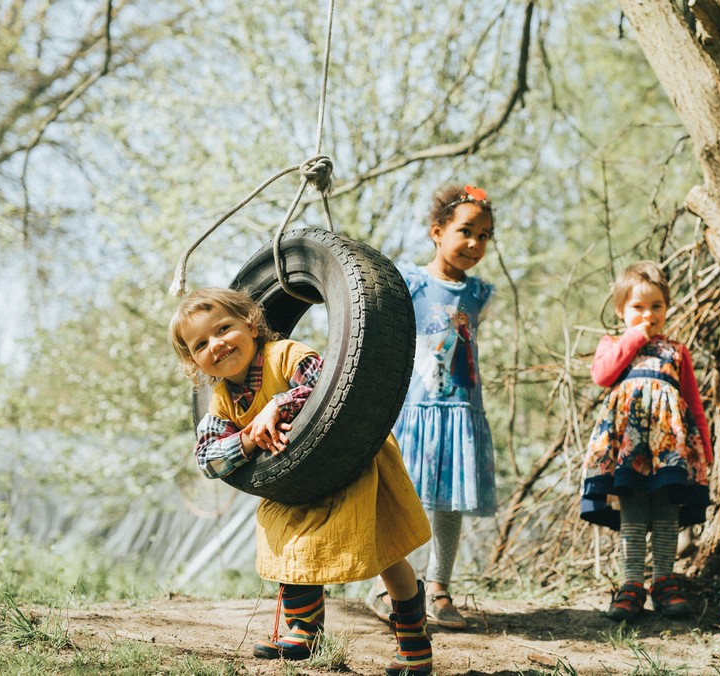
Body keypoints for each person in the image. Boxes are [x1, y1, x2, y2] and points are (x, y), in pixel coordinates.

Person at [169, 287, 433, 674]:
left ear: (251, 324)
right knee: (288, 543)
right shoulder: (223, 399)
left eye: (223, 328)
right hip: (294, 483)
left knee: (386, 551)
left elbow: (334, 384)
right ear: (195, 362)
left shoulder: (285, 355)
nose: (217, 344)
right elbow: (207, 457)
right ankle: (304, 630)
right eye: (201, 344)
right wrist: (245, 439)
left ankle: (413, 642)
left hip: (351, 460)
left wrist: (278, 405)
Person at [366, 183, 496, 631]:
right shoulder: (411, 282)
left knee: (451, 502)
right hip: (417, 409)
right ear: (437, 231)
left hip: (460, 408)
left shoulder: (479, 293)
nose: (474, 244)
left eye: (484, 236)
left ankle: (439, 586)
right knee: (406, 495)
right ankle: (392, 587)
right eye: (466, 231)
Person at [581, 261, 713, 621]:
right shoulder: (613, 344)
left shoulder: (676, 352)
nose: (648, 315)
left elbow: (693, 401)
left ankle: (664, 582)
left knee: (668, 514)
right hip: (630, 451)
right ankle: (632, 585)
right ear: (620, 309)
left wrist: (705, 445)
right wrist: (635, 337)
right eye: (637, 307)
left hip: (668, 451)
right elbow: (602, 375)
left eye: (656, 306)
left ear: (666, 308)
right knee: (634, 516)